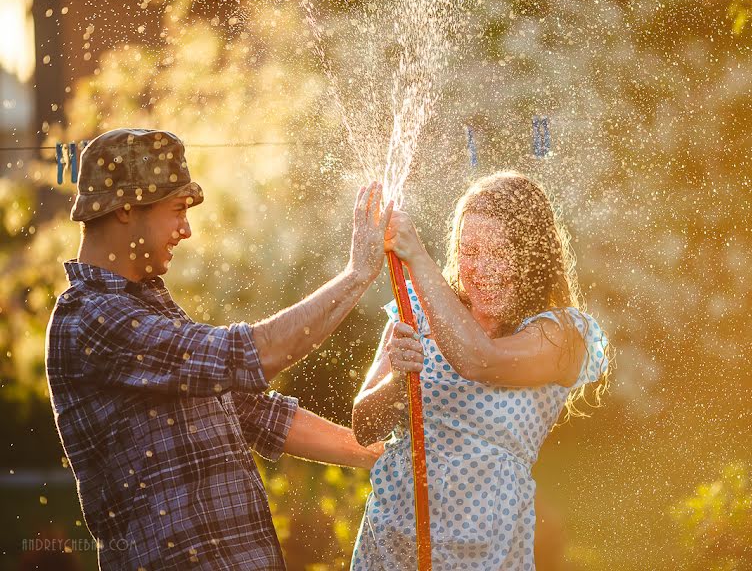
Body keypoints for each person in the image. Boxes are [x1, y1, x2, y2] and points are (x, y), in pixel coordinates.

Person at [45, 128, 392, 570]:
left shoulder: (147, 307)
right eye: (176, 211)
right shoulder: (91, 319)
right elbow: (249, 354)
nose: (185, 230)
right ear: (127, 211)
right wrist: (357, 274)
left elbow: (257, 414)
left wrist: (383, 457)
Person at [350, 171, 611, 569]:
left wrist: (416, 256)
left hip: (486, 553)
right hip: (393, 546)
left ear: (533, 258)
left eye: (500, 252)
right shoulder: (416, 313)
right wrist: (398, 383)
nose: (482, 268)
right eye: (470, 252)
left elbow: (479, 359)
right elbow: (364, 425)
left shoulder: (564, 335)